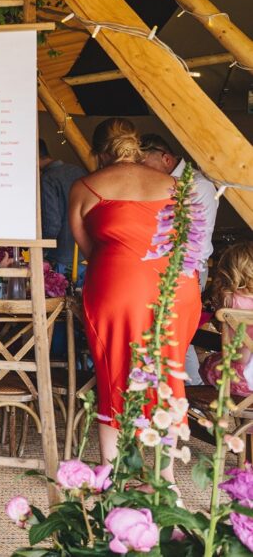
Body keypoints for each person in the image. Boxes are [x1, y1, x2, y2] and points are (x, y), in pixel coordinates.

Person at [68, 118, 201, 479]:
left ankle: (111, 473)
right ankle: (165, 478)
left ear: (99, 154)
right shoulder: (175, 185)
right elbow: (187, 242)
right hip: (175, 288)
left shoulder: (85, 186)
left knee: (114, 371)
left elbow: (88, 247)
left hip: (117, 286)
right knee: (167, 374)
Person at [139, 134, 218, 287]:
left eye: (146, 167)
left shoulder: (200, 186)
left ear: (166, 159)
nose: (143, 174)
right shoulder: (150, 185)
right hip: (154, 268)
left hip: (186, 270)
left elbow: (196, 243)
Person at [200, 242, 253, 395]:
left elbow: (237, 355)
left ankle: (222, 412)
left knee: (208, 364)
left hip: (241, 380)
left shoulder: (230, 298)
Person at [39, 139, 86, 275]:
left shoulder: (48, 179)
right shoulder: (78, 170)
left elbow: (52, 224)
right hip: (85, 253)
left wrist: (42, 250)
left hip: (61, 258)